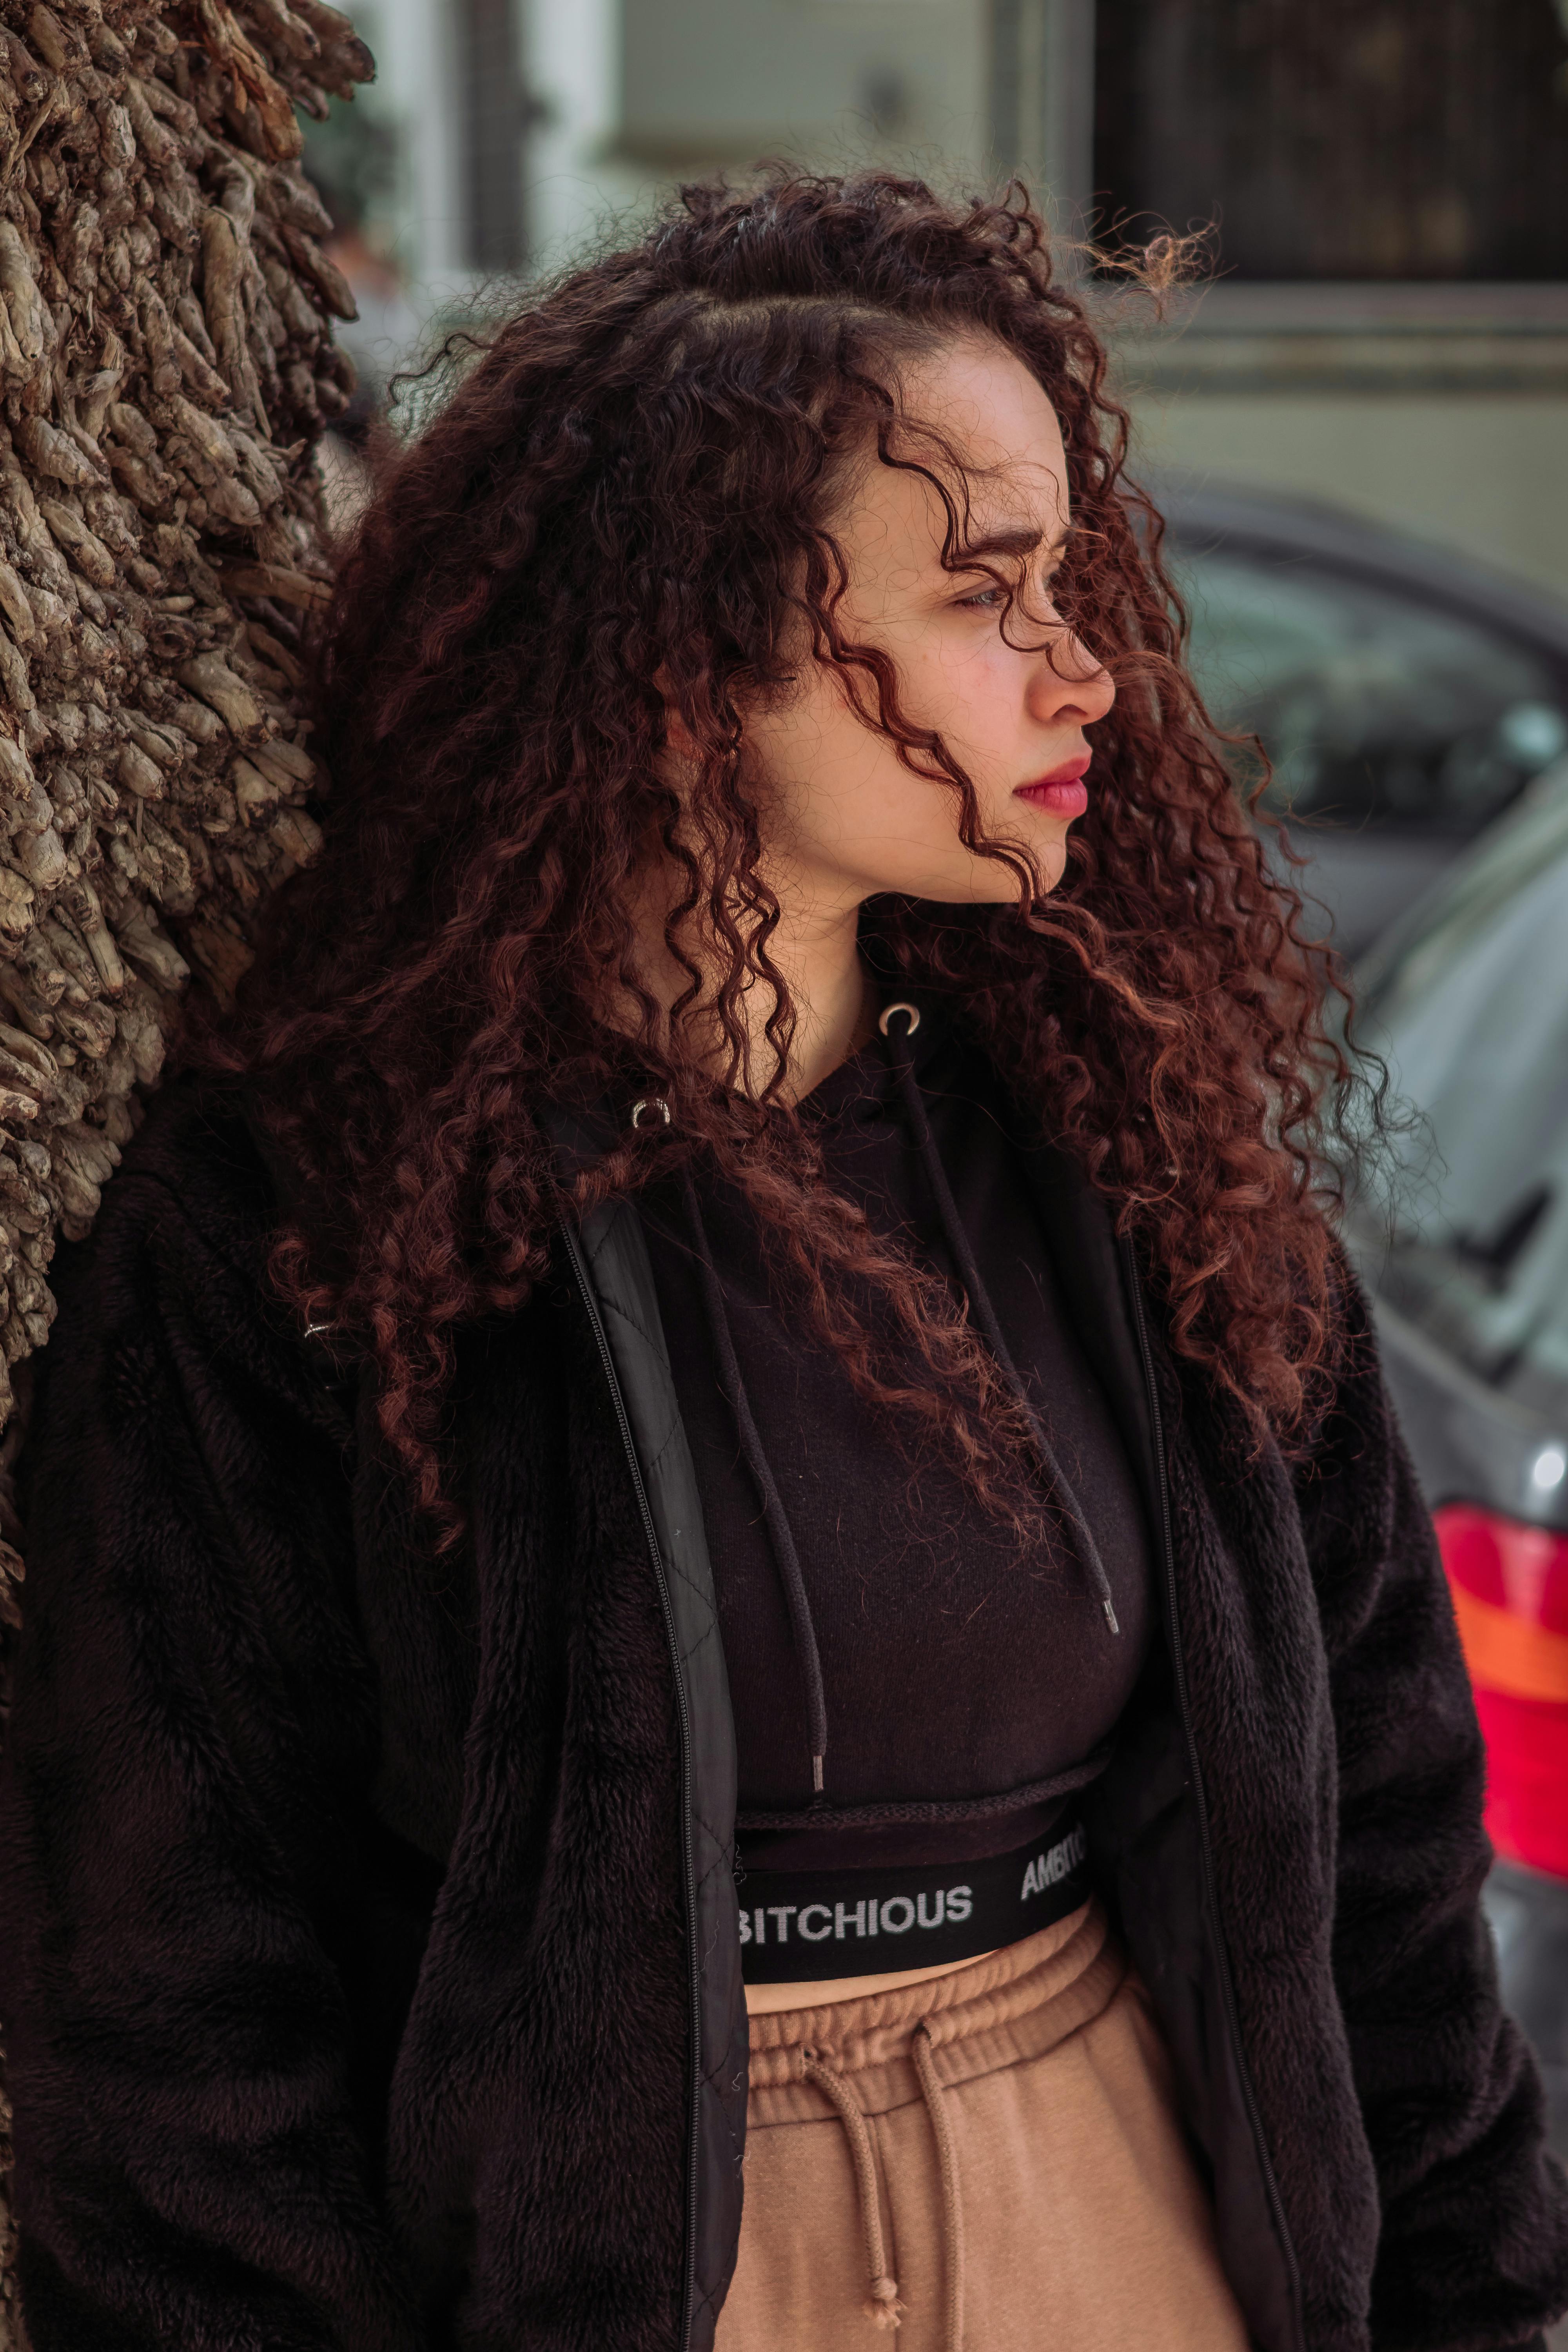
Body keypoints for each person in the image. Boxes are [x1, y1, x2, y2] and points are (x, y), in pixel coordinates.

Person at [0, 169, 1563, 2352]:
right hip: (617, 2275)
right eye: (987, 591)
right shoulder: (312, 1219)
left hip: (1120, 2218)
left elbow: (1381, 1868)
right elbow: (172, 2010)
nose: (1083, 666)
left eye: (1074, 579)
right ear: (690, 653)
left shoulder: (1142, 1172)